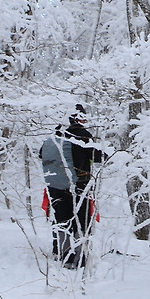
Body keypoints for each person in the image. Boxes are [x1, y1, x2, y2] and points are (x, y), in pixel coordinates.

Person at [39, 104, 104, 268]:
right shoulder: (81, 135)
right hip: (78, 186)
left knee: (61, 219)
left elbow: (41, 154)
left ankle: (62, 254)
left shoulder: (54, 136)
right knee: (81, 221)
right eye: (83, 118)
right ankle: (80, 258)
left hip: (55, 186)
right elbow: (99, 156)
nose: (85, 122)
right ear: (76, 118)